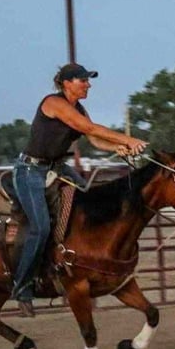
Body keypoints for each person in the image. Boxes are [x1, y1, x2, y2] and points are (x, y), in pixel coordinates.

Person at [12, 63, 148, 304]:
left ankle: (74, 261)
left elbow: (94, 139)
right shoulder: (53, 103)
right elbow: (87, 128)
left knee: (88, 201)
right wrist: (128, 139)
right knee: (40, 227)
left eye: (88, 80)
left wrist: (118, 147)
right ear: (67, 83)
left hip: (56, 168)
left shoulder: (78, 108)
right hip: (30, 171)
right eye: (83, 80)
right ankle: (21, 283)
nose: (88, 85)